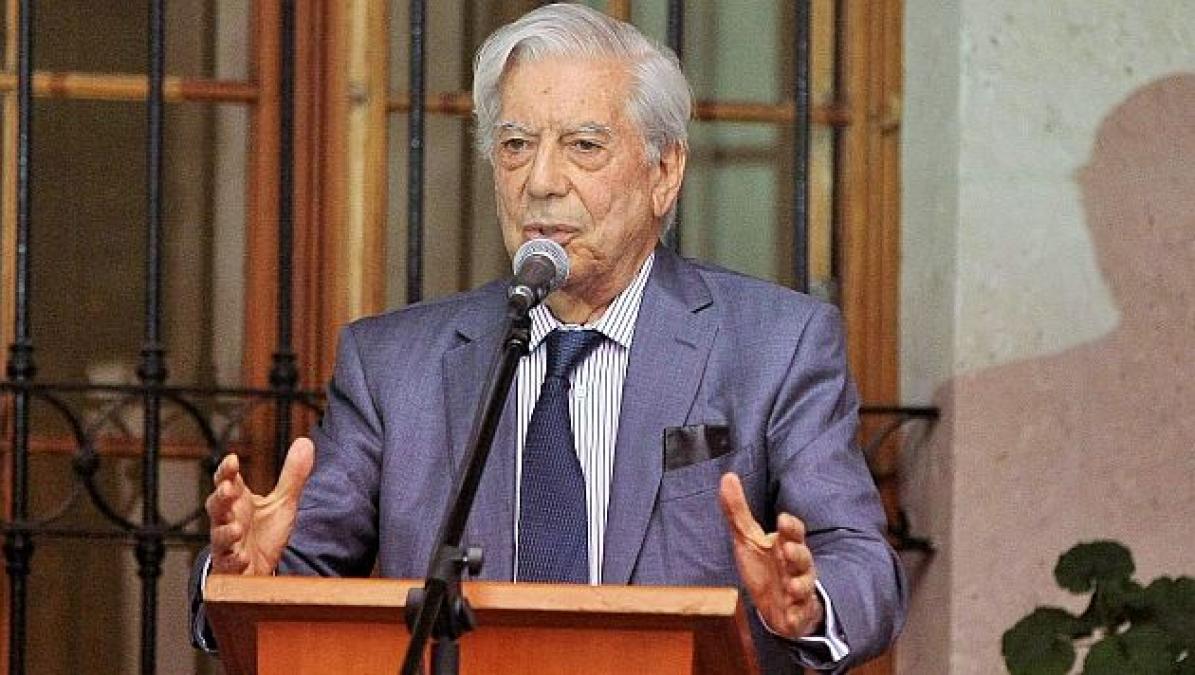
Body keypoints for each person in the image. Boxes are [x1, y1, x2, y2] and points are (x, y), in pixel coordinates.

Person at [191, 4, 905, 672]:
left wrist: (807, 604)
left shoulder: (775, 345)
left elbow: (862, 562)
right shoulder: (394, 368)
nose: (540, 181)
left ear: (664, 172)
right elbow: (293, 577)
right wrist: (241, 578)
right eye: (515, 145)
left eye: (583, 146)